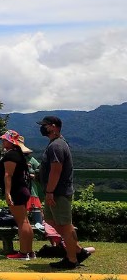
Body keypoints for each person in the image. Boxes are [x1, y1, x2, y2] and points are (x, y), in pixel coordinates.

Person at [37, 115, 92, 269]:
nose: (43, 128)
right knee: (51, 221)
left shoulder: (57, 145)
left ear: (54, 126)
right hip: (55, 191)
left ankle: (72, 259)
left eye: (45, 125)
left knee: (65, 226)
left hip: (57, 193)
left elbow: (56, 169)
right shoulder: (56, 143)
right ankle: (79, 251)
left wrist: (49, 192)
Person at [0, 130, 35, 260]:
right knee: (25, 221)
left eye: (5, 140)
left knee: (21, 222)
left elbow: (9, 175)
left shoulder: (10, 155)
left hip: (16, 191)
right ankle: (29, 251)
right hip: (23, 190)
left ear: (11, 141)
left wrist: (7, 193)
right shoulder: (18, 155)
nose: (3, 141)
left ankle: (23, 253)